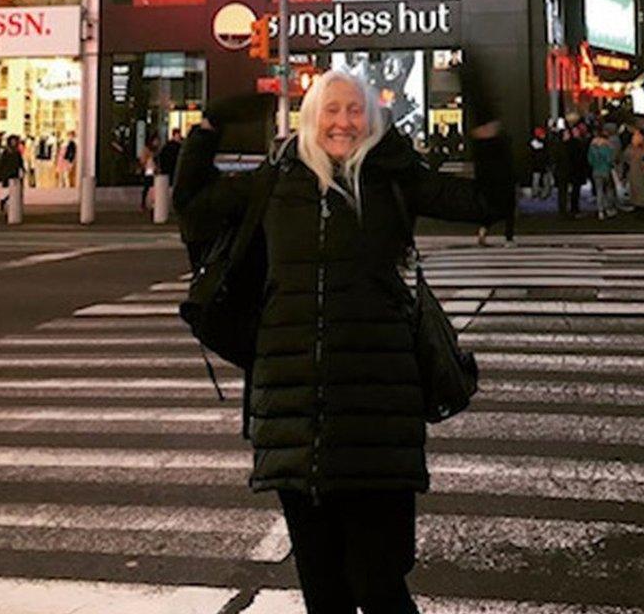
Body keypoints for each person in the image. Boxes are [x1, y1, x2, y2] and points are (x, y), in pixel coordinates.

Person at [174, 70, 512, 614]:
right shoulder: (275, 181)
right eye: (331, 110)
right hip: (293, 414)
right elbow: (191, 208)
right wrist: (210, 126)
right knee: (324, 591)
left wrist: (488, 126)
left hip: (378, 414)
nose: (343, 122)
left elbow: (487, 201)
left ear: (372, 118)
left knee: (377, 584)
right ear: (311, 117)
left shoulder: (393, 176)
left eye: (354, 110)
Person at [622, 128, 644, 214]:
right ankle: (641, 206)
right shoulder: (643, 147)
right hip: (638, 170)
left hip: (637, 169)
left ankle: (640, 206)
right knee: (640, 187)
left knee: (639, 187)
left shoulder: (635, 148)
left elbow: (626, 157)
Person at [587, 126, 617, 220]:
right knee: (608, 190)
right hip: (605, 170)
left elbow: (590, 160)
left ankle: (600, 210)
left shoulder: (592, 147)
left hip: (596, 170)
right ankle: (608, 209)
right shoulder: (607, 147)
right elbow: (610, 159)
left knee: (599, 191)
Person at [528, 127, 550, 199]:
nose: (544, 135)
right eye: (542, 134)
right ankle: (535, 193)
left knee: (545, 180)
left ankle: (544, 194)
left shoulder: (545, 143)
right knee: (536, 180)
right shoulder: (533, 143)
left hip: (543, 165)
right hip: (537, 165)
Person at [139, 134, 159, 212]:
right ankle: (144, 203)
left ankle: (153, 203)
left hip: (153, 170)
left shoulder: (156, 150)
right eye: (156, 141)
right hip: (149, 170)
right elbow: (143, 160)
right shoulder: (147, 150)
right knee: (147, 186)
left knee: (153, 188)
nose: (157, 142)